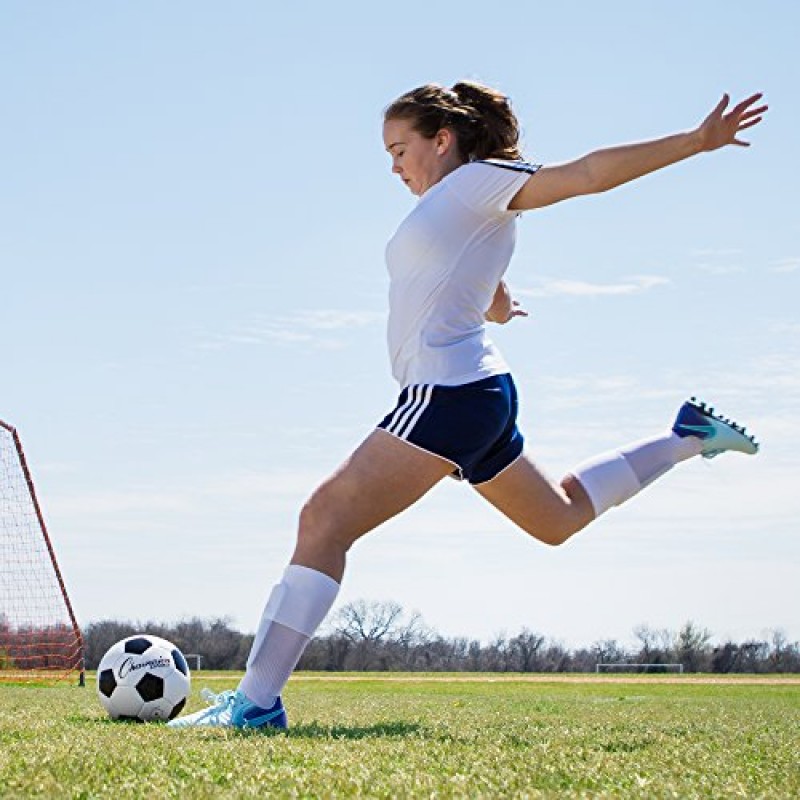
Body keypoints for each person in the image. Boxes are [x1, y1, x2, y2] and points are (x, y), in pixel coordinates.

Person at [169, 81, 766, 730]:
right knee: (558, 517)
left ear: (442, 140)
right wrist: (500, 304)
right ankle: (686, 437)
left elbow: (588, 174)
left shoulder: (479, 180)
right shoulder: (461, 207)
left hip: (448, 392)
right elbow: (473, 281)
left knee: (324, 519)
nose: (394, 166)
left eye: (401, 149)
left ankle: (254, 704)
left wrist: (695, 142)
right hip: (475, 393)